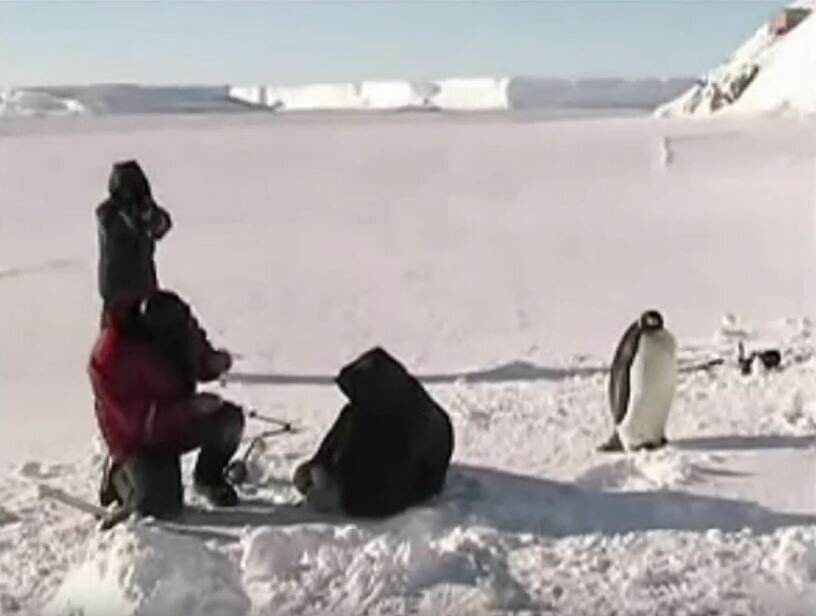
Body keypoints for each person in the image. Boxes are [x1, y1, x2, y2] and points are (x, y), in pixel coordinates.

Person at [89, 290, 242, 521]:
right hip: (136, 440)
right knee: (161, 508)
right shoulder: (112, 355)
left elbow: (197, 358)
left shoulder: (177, 324)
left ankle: (208, 478)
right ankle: (120, 477)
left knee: (229, 421)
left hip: (177, 418)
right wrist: (189, 409)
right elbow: (133, 422)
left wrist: (211, 362)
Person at [293, 346, 454, 517]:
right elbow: (343, 435)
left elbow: (390, 496)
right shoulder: (370, 404)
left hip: (406, 482)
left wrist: (342, 498)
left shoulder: (408, 426)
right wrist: (318, 465)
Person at [96, 159, 172, 321]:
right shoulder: (109, 212)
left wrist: (148, 215)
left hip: (143, 289)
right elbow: (122, 225)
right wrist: (138, 216)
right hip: (117, 295)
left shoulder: (144, 209)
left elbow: (163, 225)